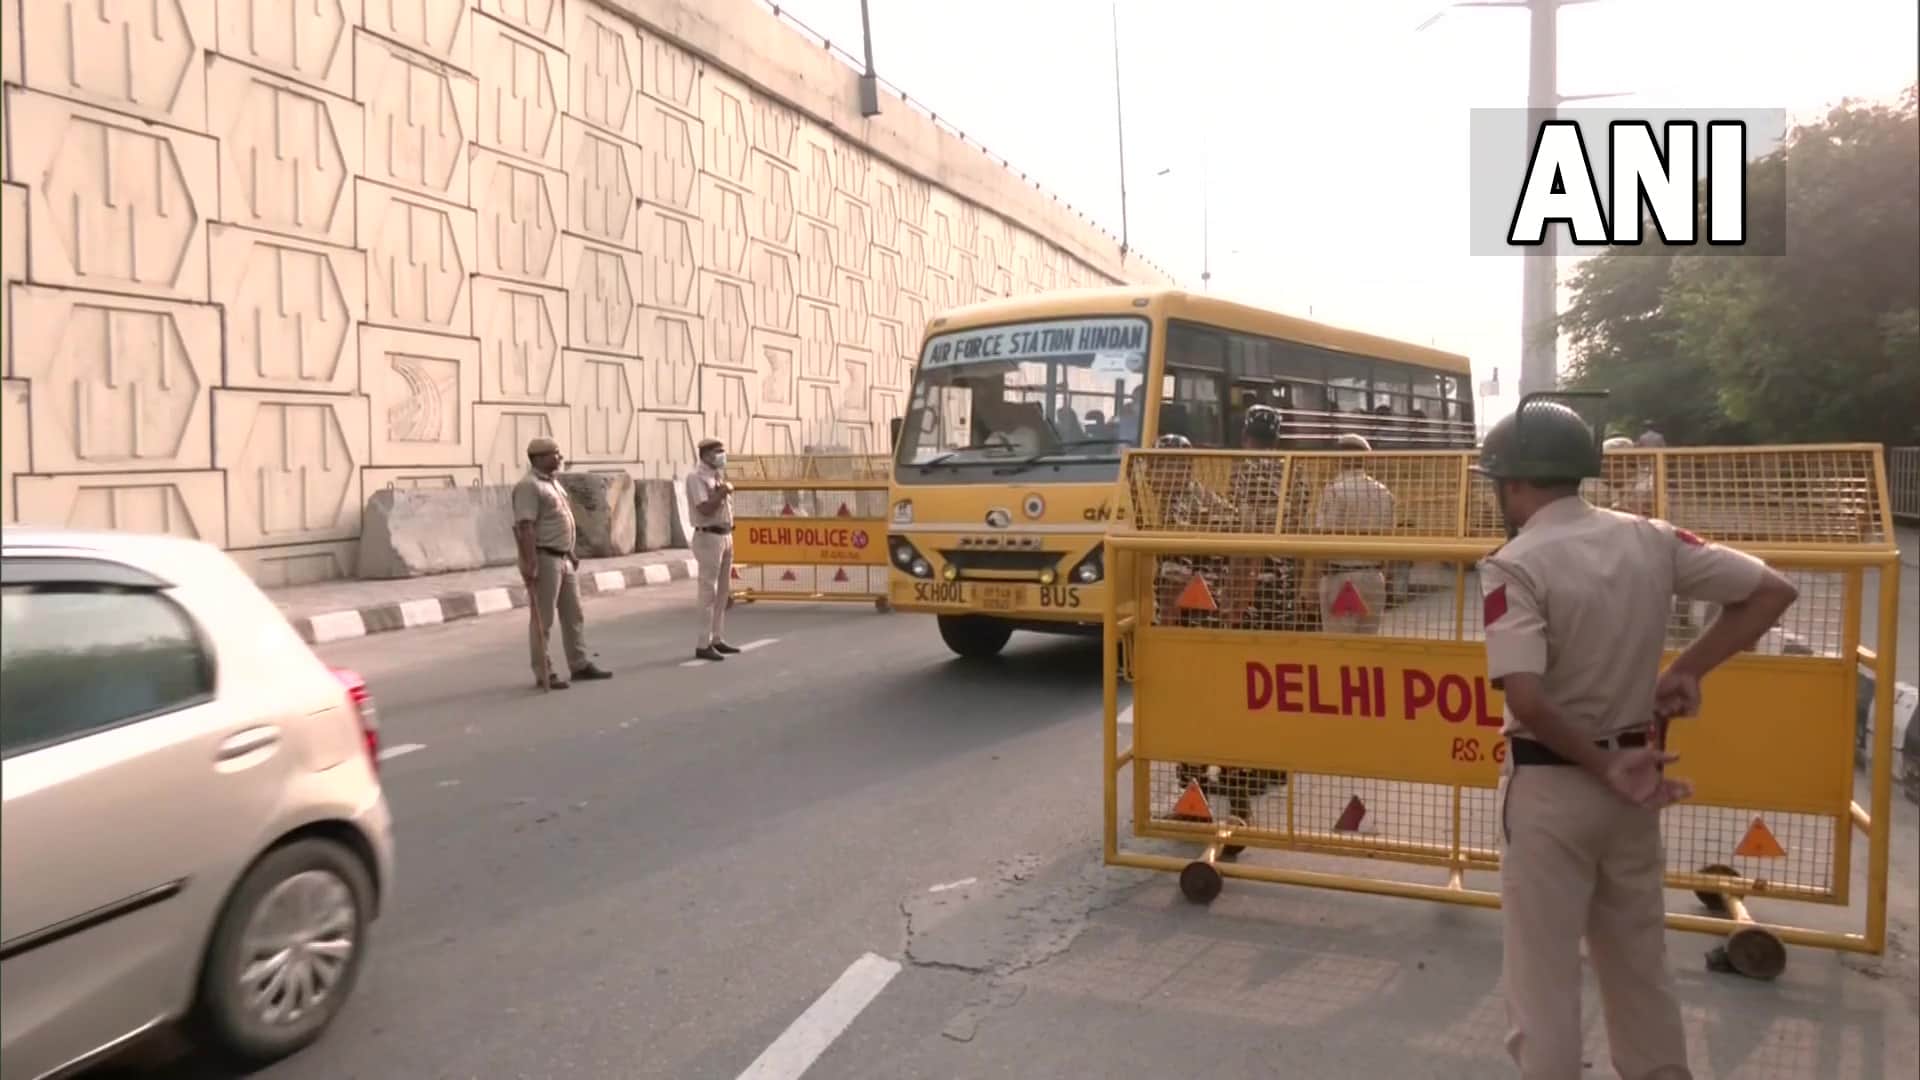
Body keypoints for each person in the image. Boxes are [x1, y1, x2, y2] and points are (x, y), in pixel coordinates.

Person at [1475, 399, 1798, 1080]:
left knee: (1543, 980)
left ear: (1515, 482)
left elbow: (1526, 698)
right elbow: (1772, 590)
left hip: (1553, 788)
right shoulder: (1651, 537)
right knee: (1639, 966)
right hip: (1636, 784)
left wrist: (1600, 765)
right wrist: (1687, 669)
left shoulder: (1514, 564)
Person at [513, 437, 613, 689]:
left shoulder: (553, 483)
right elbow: (526, 527)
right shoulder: (529, 486)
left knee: (573, 614)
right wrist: (530, 563)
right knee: (543, 619)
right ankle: (544, 671)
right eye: (554, 454)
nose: (559, 458)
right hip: (544, 557)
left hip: (563, 557)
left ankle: (579, 663)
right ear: (538, 458)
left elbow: (560, 520)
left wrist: (571, 552)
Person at [1313, 434, 1397, 634]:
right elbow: (1390, 539)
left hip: (1342, 579)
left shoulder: (1335, 491)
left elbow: (1323, 537)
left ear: (1340, 458)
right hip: (1374, 578)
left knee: (1339, 644)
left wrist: (1312, 581)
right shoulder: (1384, 493)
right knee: (1366, 643)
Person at [686, 438, 739, 662]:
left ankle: (717, 638)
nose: (722, 455)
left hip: (725, 535)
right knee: (708, 592)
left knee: (722, 592)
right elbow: (705, 508)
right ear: (706, 454)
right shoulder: (696, 478)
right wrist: (722, 492)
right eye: (718, 452)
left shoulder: (717, 475)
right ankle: (703, 643)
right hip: (708, 537)